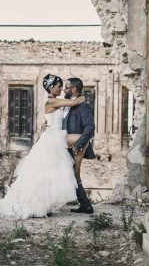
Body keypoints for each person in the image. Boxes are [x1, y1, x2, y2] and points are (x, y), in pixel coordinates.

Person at [0, 74, 85, 219]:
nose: (61, 89)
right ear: (51, 87)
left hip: (54, 135)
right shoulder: (52, 101)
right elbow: (75, 102)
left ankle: (45, 205)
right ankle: (39, 205)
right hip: (53, 138)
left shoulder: (54, 101)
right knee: (45, 174)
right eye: (59, 86)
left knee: (49, 174)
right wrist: (81, 96)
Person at [63, 77, 95, 214]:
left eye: (66, 87)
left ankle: (86, 205)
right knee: (72, 175)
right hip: (63, 145)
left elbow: (90, 127)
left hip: (75, 146)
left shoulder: (83, 106)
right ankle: (86, 205)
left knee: (73, 174)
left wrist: (78, 144)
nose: (64, 89)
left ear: (74, 89)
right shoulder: (67, 104)